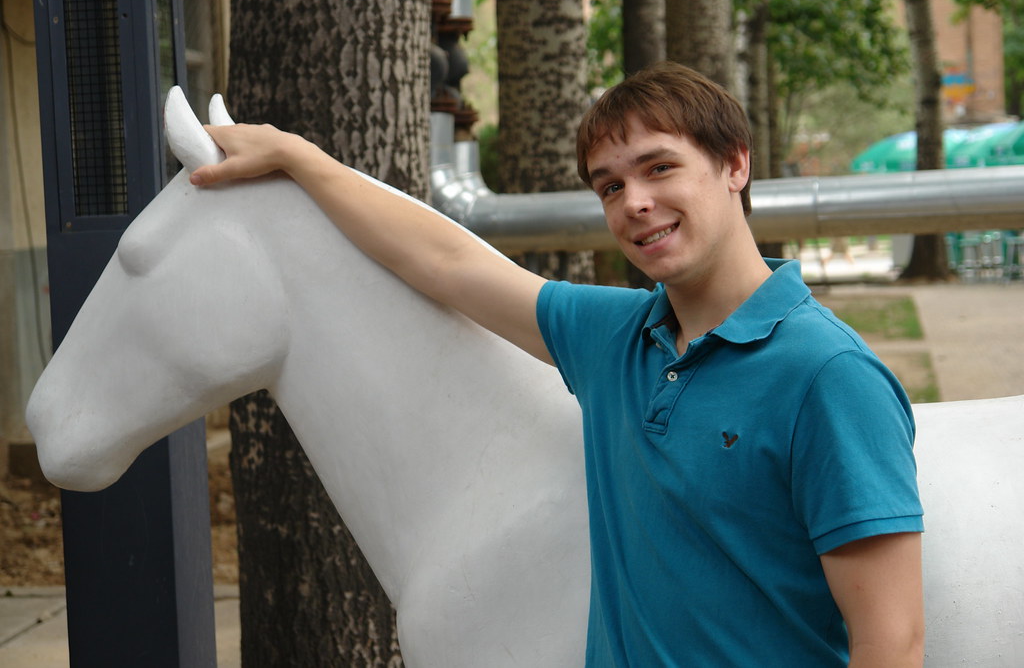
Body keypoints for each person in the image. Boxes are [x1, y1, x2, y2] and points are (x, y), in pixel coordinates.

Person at [191, 61, 924, 666]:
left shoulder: (828, 375)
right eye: (610, 185)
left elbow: (891, 641)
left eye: (658, 167)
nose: (635, 202)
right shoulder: (612, 339)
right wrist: (297, 157)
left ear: (735, 165)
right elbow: (444, 259)